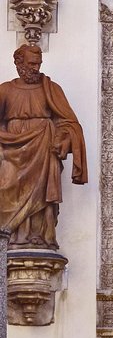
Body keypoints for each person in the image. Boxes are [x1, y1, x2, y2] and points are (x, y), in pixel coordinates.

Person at [0, 45, 87, 250]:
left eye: (38, 64)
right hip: (11, 149)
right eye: (31, 64)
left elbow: (69, 123)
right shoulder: (5, 90)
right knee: (7, 188)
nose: (35, 68)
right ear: (19, 64)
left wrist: (65, 140)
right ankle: (11, 237)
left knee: (42, 197)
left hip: (43, 148)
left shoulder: (51, 88)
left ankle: (39, 237)